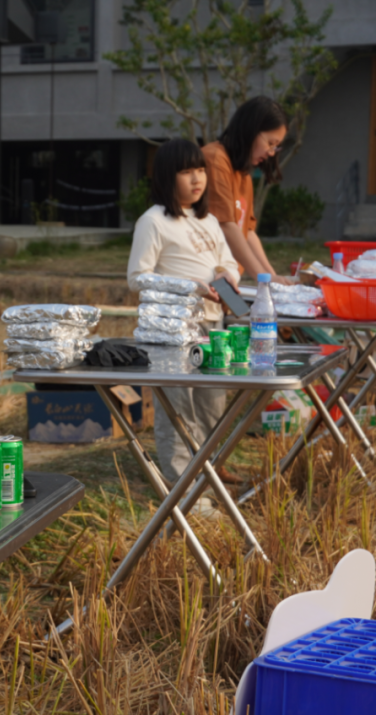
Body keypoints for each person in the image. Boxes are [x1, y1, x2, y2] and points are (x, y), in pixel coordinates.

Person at [128, 138, 241, 497]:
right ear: (167, 176)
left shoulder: (208, 219)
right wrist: (190, 286)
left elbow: (227, 262)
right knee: (177, 409)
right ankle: (182, 489)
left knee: (211, 404)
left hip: (213, 324)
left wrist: (228, 276)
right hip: (173, 331)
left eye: (200, 170)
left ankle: (209, 475)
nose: (197, 179)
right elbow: (137, 278)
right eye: (186, 172)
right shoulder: (153, 221)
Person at [202, 96, 293, 284]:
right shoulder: (215, 159)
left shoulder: (243, 173)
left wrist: (272, 277)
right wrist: (263, 278)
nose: (271, 153)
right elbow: (226, 225)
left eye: (276, 147)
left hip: (226, 279)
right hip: (205, 278)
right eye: (270, 143)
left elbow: (247, 232)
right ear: (251, 130)